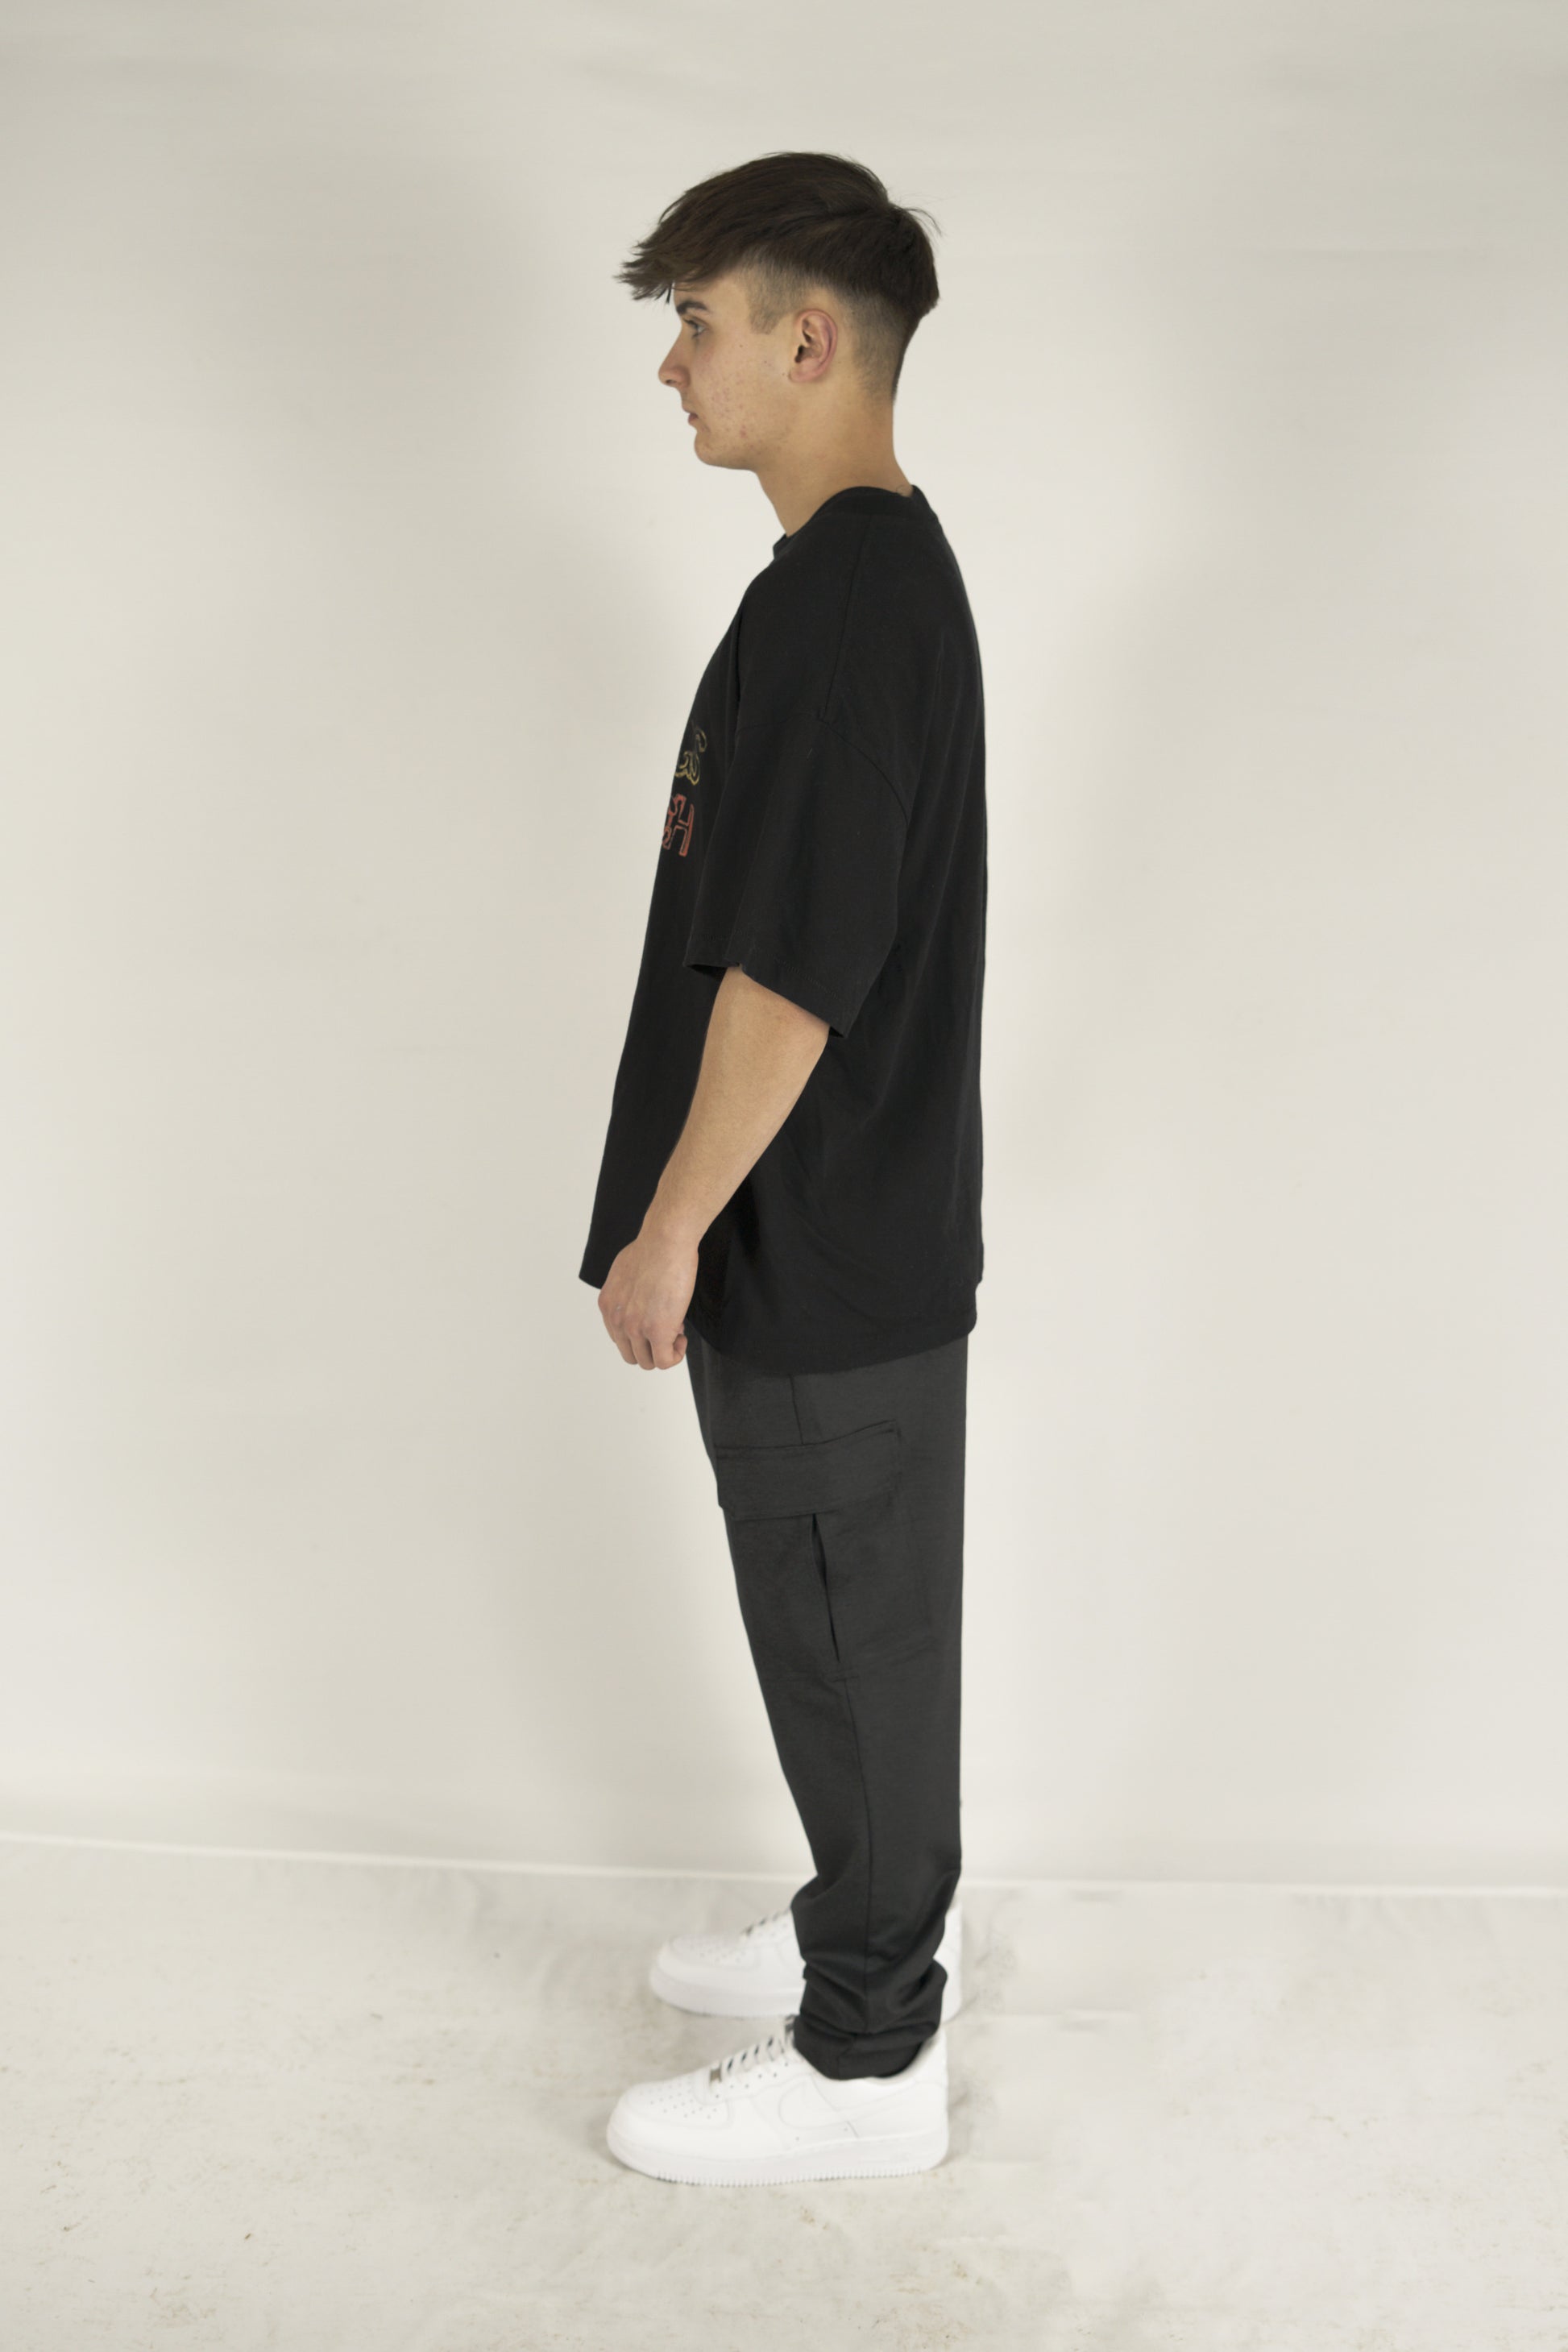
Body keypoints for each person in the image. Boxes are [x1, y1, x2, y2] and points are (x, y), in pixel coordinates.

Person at [577, 149, 987, 2187]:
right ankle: (863, 1916)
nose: (673, 365)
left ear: (809, 340)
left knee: (846, 1633)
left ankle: (869, 2056)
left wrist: (670, 1224)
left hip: (816, 1242)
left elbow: (796, 972)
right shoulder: (861, 580)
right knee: (842, 1627)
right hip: (837, 1234)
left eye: (698, 322)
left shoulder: (842, 603)